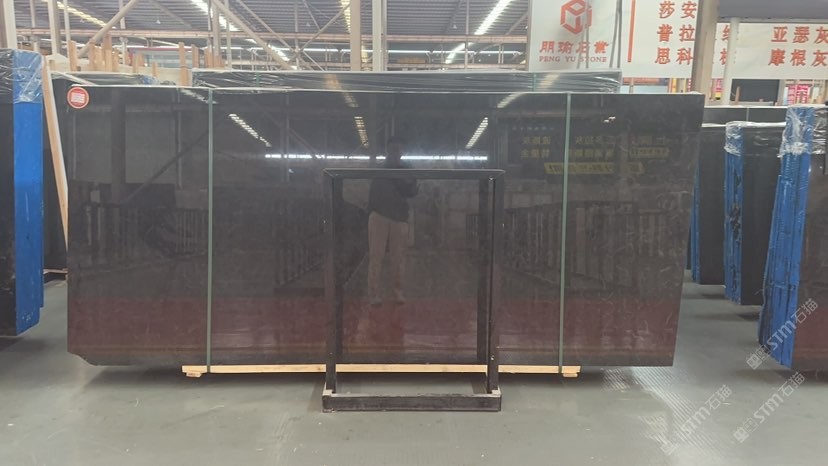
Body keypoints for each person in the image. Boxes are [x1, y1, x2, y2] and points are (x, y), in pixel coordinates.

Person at [367, 136, 418, 305]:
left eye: (398, 149)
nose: (396, 152)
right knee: (377, 255)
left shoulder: (404, 170)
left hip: (396, 216)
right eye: (393, 149)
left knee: (398, 257)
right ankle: (374, 293)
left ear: (402, 151)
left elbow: (412, 191)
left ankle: (396, 292)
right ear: (387, 150)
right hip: (382, 215)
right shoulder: (383, 170)